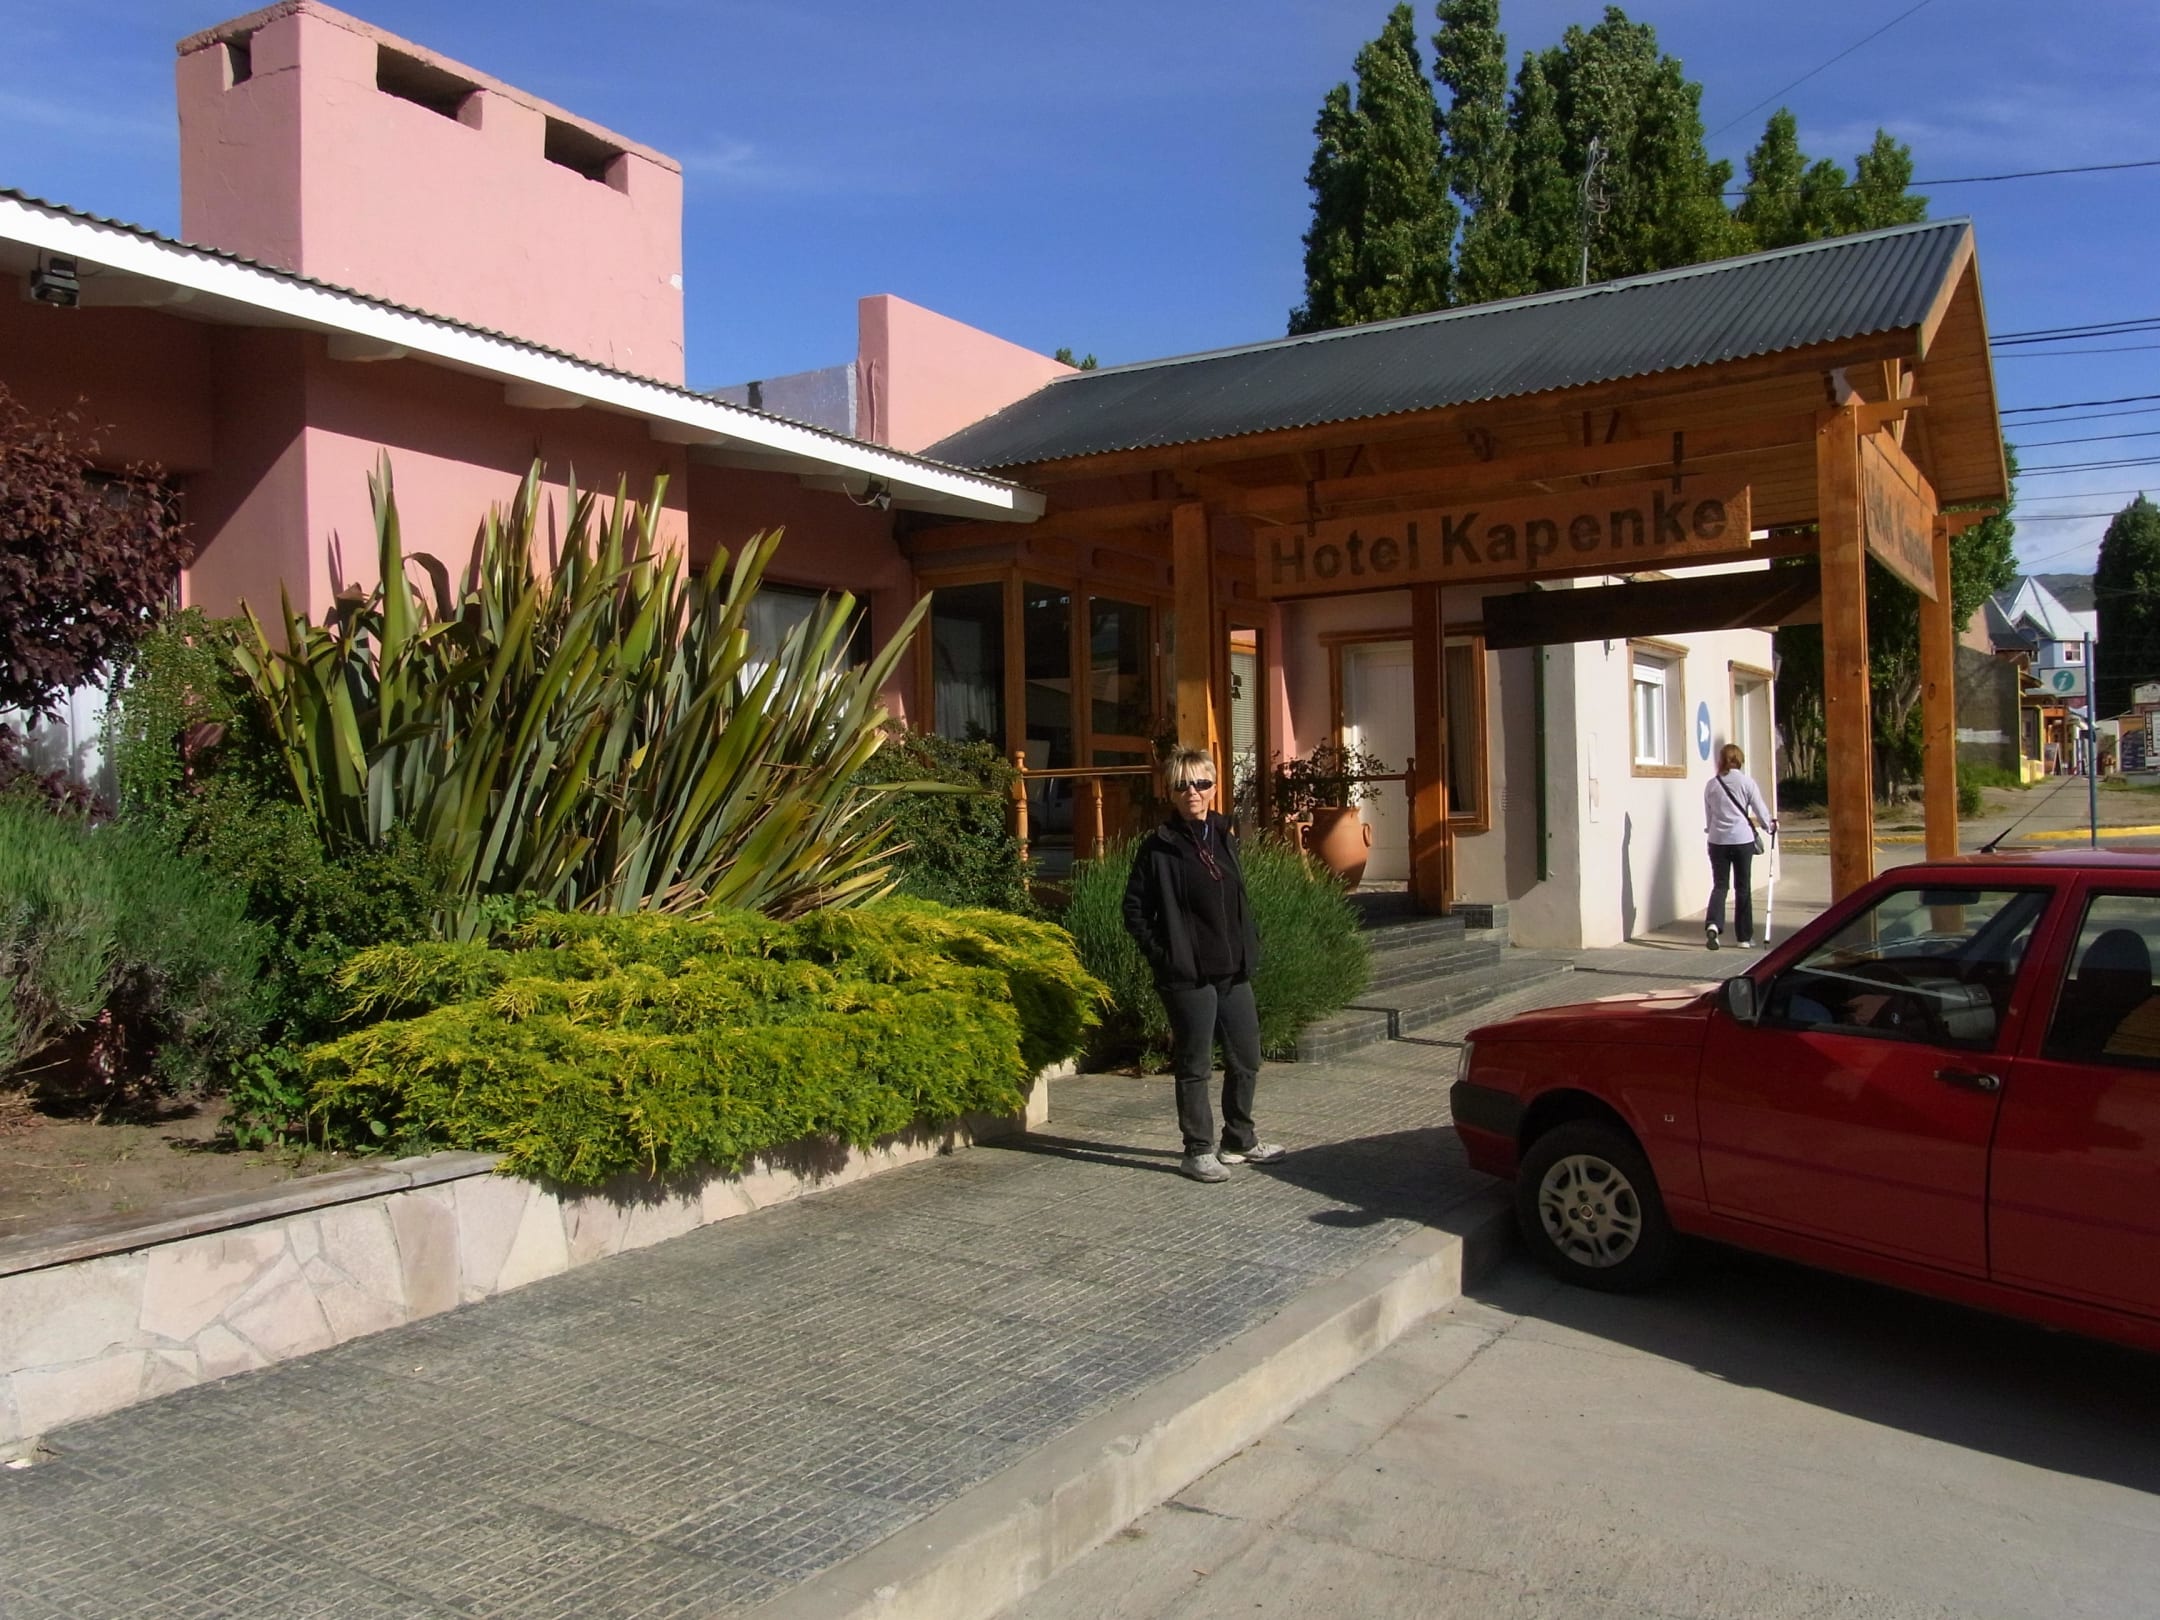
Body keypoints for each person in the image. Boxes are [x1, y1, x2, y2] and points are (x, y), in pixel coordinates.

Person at [1121, 747, 1285, 1183]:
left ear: (1214, 787)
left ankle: (1239, 1139)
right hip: (1188, 976)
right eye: (1182, 785)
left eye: (1201, 783)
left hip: (1233, 971)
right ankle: (1197, 1150)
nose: (1192, 792)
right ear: (1170, 792)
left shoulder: (1225, 835)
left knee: (1246, 1057)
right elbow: (1134, 911)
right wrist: (1167, 956)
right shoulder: (1159, 846)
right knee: (1195, 1065)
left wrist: (1249, 945)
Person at [1704, 743, 1775, 950]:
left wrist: (1712, 829)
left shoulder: (1711, 785)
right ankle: (1744, 937)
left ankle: (1714, 924)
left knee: (1720, 885)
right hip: (1742, 840)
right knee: (1742, 887)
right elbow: (1760, 810)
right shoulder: (1747, 782)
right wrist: (1769, 826)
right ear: (1740, 760)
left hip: (1717, 841)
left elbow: (1709, 817)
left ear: (1721, 761)